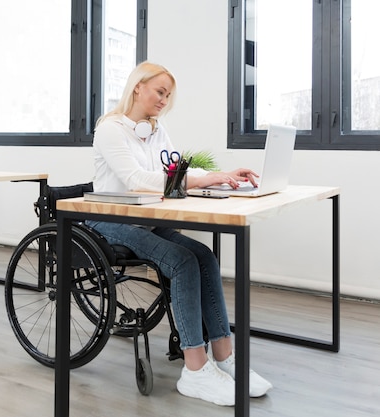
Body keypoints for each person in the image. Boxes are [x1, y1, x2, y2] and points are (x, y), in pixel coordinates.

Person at [89, 61, 272, 406]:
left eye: (168, 95)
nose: (164, 99)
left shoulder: (156, 130)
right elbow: (137, 181)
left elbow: (175, 170)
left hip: (145, 218)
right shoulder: (110, 129)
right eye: (160, 91)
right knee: (182, 261)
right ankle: (195, 370)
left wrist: (221, 175)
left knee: (203, 256)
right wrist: (202, 180)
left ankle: (224, 357)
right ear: (138, 87)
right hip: (110, 220)